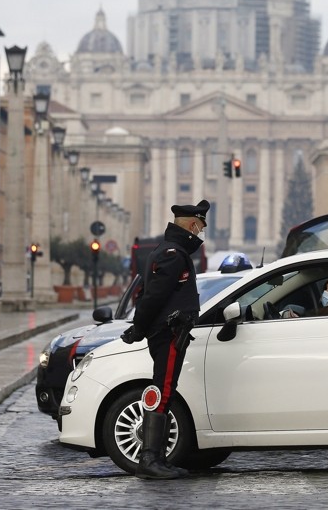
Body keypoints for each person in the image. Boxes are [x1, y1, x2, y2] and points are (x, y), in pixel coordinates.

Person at [120, 199, 209, 480]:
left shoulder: (170, 250)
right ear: (193, 225)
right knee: (164, 389)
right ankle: (149, 459)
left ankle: (157, 457)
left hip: (168, 332)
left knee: (165, 389)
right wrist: (138, 327)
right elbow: (154, 296)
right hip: (169, 332)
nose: (201, 233)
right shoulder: (173, 253)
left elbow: (149, 293)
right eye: (201, 227)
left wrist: (140, 327)